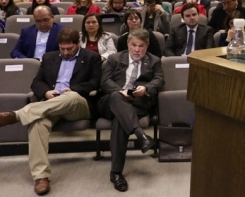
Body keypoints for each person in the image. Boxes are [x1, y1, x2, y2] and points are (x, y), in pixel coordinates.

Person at [0, 27, 102, 195]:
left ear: (78, 43)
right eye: (62, 48)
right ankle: (41, 176)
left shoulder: (91, 57)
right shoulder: (49, 57)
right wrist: (46, 92)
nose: (66, 52)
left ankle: (16, 115)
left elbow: (95, 83)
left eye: (70, 48)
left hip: (77, 104)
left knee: (72, 97)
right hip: (51, 103)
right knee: (37, 121)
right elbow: (36, 83)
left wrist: (73, 89)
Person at [98, 28, 164, 192]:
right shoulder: (114, 59)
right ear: (128, 43)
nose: (136, 49)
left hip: (137, 103)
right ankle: (141, 135)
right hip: (110, 101)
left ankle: (116, 173)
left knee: (120, 121)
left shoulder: (154, 61)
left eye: (141, 46)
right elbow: (105, 82)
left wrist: (146, 88)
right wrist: (120, 91)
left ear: (147, 46)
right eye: (133, 45)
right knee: (116, 97)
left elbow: (159, 80)